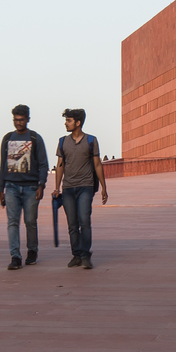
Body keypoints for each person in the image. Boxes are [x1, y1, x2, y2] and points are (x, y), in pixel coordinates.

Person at [55, 109, 109, 269]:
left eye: (69, 120)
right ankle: (76, 255)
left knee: (84, 220)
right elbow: (60, 165)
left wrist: (104, 187)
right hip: (68, 188)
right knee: (72, 223)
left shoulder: (91, 140)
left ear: (78, 123)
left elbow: (98, 164)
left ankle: (85, 255)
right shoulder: (62, 142)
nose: (66, 123)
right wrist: (56, 187)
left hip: (86, 186)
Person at [0, 106, 49, 269]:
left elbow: (43, 164)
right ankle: (15, 256)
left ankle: (32, 250)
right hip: (11, 187)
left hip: (30, 187)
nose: (18, 123)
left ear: (28, 119)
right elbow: (3, 165)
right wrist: (1, 189)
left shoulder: (35, 138)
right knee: (12, 222)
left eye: (21, 120)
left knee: (30, 221)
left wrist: (41, 184)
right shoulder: (7, 138)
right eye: (15, 119)